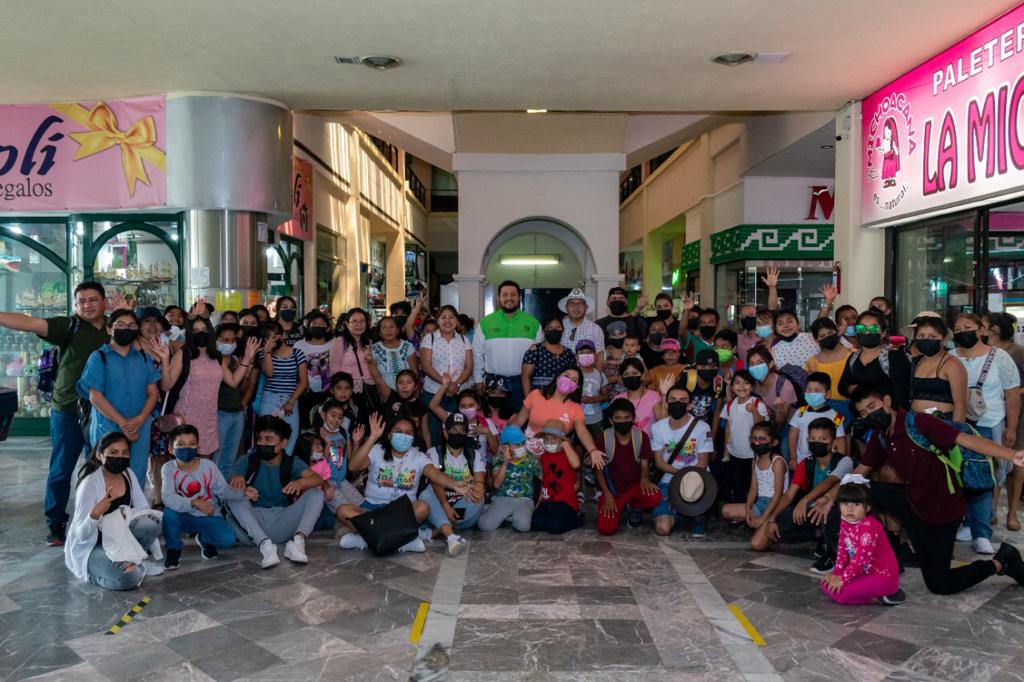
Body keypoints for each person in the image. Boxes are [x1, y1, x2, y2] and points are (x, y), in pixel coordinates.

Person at [845, 386, 1024, 593]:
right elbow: (859, 472)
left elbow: (968, 440)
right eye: (863, 413)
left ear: (886, 401)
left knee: (940, 584)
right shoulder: (882, 436)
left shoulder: (919, 422)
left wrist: (1011, 455)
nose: (870, 415)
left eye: (872, 407)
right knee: (854, 490)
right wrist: (828, 498)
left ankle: (1001, 562)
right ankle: (884, 549)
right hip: (913, 502)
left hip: (943, 509)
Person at [0, 281, 109, 545]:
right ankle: (56, 522)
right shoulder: (68, 326)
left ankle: (98, 520)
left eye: (93, 300)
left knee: (101, 468)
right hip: (68, 410)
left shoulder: (116, 327)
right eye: (81, 301)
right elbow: (30, 323)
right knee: (61, 469)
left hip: (104, 412)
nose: (87, 305)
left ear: (105, 302)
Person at [338, 414, 469, 552]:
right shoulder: (377, 450)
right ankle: (401, 540)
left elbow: (434, 474)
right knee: (343, 510)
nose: (403, 436)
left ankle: (366, 538)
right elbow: (353, 466)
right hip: (372, 510)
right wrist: (372, 438)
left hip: (402, 512)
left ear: (413, 438)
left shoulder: (418, 457)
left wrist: (454, 484)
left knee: (422, 508)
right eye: (399, 432)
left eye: (408, 433)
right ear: (389, 435)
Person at [952, 313, 1020, 555]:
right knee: (960, 476)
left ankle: (981, 532)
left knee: (982, 478)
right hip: (957, 424)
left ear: (981, 330)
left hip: (989, 424)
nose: (963, 331)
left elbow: (1012, 394)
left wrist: (1011, 428)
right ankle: (967, 522)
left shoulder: (1000, 357)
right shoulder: (950, 356)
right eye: (957, 328)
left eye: (968, 327)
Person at [64, 432, 164, 590]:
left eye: (125, 453)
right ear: (100, 455)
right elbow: (81, 535)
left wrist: (126, 514)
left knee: (152, 522)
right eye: (113, 452)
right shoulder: (89, 484)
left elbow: (143, 509)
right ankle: (92, 573)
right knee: (130, 577)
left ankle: (135, 560)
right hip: (94, 547)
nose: (119, 457)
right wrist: (95, 514)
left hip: (120, 540)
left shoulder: (128, 474)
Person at [150, 316, 257, 461]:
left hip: (210, 419)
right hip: (186, 417)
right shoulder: (184, 353)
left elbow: (233, 381)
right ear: (190, 333)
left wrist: (247, 358)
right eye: (195, 330)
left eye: (204, 329)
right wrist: (164, 359)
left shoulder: (216, 356)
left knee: (205, 464)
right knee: (185, 463)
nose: (200, 333)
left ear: (210, 331)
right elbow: (166, 385)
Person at [76, 309, 161, 486]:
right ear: (109, 329)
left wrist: (140, 419)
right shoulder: (98, 358)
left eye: (131, 325)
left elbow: (153, 393)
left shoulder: (144, 358)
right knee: (107, 473)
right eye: (120, 325)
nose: (126, 329)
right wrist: (123, 423)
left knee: (136, 474)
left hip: (139, 426)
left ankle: (133, 504)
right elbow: (95, 396)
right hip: (108, 426)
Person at [227, 416, 325, 568]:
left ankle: (298, 542)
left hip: (283, 521)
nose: (262, 443)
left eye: (268, 439)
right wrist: (241, 487)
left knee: (317, 493)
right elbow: (231, 483)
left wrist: (300, 483)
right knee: (233, 497)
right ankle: (265, 545)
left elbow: (318, 479)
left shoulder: (292, 463)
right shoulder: (248, 460)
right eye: (260, 439)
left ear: (283, 443)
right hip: (253, 525)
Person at [755, 418, 850, 570]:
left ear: (833, 443)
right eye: (813, 438)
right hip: (810, 513)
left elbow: (829, 482)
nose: (817, 442)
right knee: (758, 542)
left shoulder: (844, 461)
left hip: (837, 513)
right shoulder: (806, 463)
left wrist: (804, 500)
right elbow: (788, 495)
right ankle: (819, 536)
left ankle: (832, 552)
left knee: (827, 507)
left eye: (823, 439)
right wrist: (772, 519)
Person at [160, 424, 249, 569]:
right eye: (181, 444)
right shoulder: (168, 468)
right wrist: (194, 502)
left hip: (209, 515)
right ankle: (173, 551)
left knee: (228, 540)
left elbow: (223, 491)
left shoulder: (209, 466)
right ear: (171, 448)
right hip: (183, 516)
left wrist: (244, 493)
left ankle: (204, 539)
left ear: (198, 447)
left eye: (191, 444)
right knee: (168, 514)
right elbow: (167, 497)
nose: (186, 448)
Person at [821, 476, 903, 606]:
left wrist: (842, 579)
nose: (849, 509)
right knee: (826, 585)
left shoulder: (870, 526)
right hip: (862, 573)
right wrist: (837, 574)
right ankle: (868, 593)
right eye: (845, 504)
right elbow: (842, 550)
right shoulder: (845, 521)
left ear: (868, 507)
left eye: (856, 504)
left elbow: (860, 559)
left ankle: (881, 597)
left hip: (882, 578)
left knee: (841, 594)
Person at [651, 385, 714, 537]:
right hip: (669, 478)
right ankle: (679, 512)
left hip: (696, 478)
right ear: (666, 404)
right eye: (673, 400)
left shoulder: (702, 428)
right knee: (662, 528)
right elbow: (659, 462)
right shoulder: (657, 428)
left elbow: (702, 463)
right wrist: (679, 476)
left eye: (683, 400)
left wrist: (687, 480)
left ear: (690, 405)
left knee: (692, 494)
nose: (677, 403)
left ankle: (693, 513)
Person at [512, 367, 607, 468]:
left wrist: (592, 449)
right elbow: (517, 422)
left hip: (555, 460)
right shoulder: (536, 395)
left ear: (577, 387)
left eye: (574, 380)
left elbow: (582, 432)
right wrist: (506, 442)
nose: (568, 381)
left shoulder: (576, 408)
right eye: (566, 376)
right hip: (528, 454)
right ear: (558, 377)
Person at [421, 413, 487, 556]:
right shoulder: (434, 452)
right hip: (440, 502)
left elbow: (480, 481)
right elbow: (435, 482)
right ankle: (450, 534)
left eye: (462, 430)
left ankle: (439, 528)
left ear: (466, 434)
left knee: (478, 498)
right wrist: (445, 506)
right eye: (454, 430)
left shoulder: (474, 454)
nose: (458, 434)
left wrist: (479, 488)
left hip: (462, 505)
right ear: (445, 433)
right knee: (426, 494)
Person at [594, 399, 662, 535]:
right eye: (618, 418)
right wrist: (607, 494)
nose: (622, 421)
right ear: (611, 420)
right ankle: (622, 505)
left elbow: (644, 464)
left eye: (626, 418)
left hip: (634, 488)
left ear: (633, 419)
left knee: (654, 496)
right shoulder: (604, 437)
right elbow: (598, 470)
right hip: (613, 491)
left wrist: (645, 480)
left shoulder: (642, 437)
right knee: (606, 529)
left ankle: (635, 508)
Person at [472, 280, 541, 411]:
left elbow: (540, 354)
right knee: (493, 420)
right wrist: (477, 380)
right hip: (493, 383)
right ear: (498, 298)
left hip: (522, 383)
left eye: (513, 294)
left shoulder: (533, 323)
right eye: (504, 294)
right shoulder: (486, 322)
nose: (509, 298)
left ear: (519, 297)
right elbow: (477, 353)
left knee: (521, 419)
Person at [983, 311, 1024, 530]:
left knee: (1015, 463)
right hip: (990, 413)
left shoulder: (1017, 351)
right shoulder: (983, 351)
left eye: (986, 325)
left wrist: (1012, 392)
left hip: (1016, 413)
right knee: (993, 462)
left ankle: (1012, 513)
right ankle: (991, 509)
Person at [721, 421, 789, 532]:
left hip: (776, 505)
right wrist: (748, 509)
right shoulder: (755, 460)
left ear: (774, 442)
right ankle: (760, 523)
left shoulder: (777, 462)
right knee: (726, 510)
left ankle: (766, 522)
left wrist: (763, 517)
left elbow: (778, 493)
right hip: (760, 503)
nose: (757, 442)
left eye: (762, 439)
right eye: (754, 438)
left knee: (757, 538)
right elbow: (753, 488)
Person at [418, 305, 473, 443]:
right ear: (437, 320)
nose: (447, 321)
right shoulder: (429, 339)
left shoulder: (464, 340)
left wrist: (456, 384)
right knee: (434, 434)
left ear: (457, 321)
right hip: (433, 393)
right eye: (443, 317)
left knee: (456, 433)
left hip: (457, 394)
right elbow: (426, 367)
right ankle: (434, 457)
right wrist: (446, 384)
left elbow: (469, 367)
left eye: (451, 317)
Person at [838, 310, 911, 410]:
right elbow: (842, 388)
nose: (867, 332)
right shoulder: (853, 358)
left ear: (883, 333)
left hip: (889, 414)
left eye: (873, 328)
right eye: (861, 328)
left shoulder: (894, 355)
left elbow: (903, 395)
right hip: (862, 415)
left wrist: (860, 389)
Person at [256, 321, 309, 454]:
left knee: (290, 438)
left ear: (283, 335)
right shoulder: (264, 354)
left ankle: (285, 466)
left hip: (290, 399)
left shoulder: (297, 353)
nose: (271, 341)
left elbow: (303, 382)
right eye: (267, 339)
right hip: (269, 399)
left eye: (274, 337)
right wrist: (268, 351)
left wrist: (291, 401)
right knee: (267, 438)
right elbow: (269, 373)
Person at [718, 370, 770, 504]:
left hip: (754, 454)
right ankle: (739, 509)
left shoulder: (757, 404)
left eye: (746, 383)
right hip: (735, 453)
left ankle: (754, 509)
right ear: (732, 387)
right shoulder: (729, 405)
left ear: (752, 387)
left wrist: (754, 411)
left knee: (754, 484)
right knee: (737, 484)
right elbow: (728, 428)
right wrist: (726, 449)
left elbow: (762, 427)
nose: (742, 387)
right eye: (737, 383)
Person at [310, 400, 365, 525]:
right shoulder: (316, 435)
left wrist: (356, 443)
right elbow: (317, 465)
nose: (336, 420)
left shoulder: (343, 433)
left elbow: (351, 459)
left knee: (362, 505)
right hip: (326, 482)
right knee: (347, 510)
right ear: (323, 415)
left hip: (342, 481)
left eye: (340, 417)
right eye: (333, 415)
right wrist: (327, 444)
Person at [213, 324, 256, 480]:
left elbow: (241, 387)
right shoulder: (216, 360)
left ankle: (224, 490)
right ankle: (214, 490)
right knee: (217, 456)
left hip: (237, 413)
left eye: (232, 340)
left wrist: (247, 369)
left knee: (230, 458)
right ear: (216, 341)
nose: (230, 343)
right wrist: (247, 359)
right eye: (225, 340)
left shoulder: (235, 360)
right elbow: (232, 382)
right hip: (220, 413)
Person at [477, 426, 539, 532]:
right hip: (502, 498)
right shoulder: (499, 458)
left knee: (523, 526)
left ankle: (508, 516)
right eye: (517, 444)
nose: (521, 447)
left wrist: (535, 505)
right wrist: (505, 463)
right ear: (505, 446)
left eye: (523, 443)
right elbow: (496, 484)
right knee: (485, 525)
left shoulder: (532, 459)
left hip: (524, 500)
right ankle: (495, 510)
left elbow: (540, 482)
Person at [909, 316, 966, 421]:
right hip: (914, 421)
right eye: (921, 336)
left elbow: (961, 406)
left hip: (943, 423)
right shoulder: (918, 361)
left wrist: (956, 429)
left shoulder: (952, 364)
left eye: (932, 336)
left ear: (944, 339)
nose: (926, 339)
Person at [532, 420, 585, 534]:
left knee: (555, 526)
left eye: (554, 438)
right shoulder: (543, 457)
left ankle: (577, 519)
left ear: (562, 441)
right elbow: (542, 482)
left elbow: (576, 464)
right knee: (536, 523)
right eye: (546, 439)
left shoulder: (568, 453)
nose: (549, 442)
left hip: (566, 501)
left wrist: (566, 445)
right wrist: (538, 503)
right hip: (547, 500)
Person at [787, 372, 847, 470]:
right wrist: (793, 458)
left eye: (817, 390)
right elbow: (792, 435)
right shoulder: (800, 411)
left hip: (826, 464)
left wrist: (840, 464)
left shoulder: (836, 416)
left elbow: (840, 441)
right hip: (801, 461)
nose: (812, 393)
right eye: (809, 389)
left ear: (828, 394)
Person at [294, 311, 334, 430]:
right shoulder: (299, 345)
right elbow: (295, 369)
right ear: (308, 326)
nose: (318, 326)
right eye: (314, 324)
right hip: (305, 393)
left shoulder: (334, 344)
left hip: (328, 393)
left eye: (322, 324)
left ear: (328, 328)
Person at [805, 318, 853, 419]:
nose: (827, 337)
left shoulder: (853, 354)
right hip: (824, 410)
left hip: (852, 406)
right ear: (816, 340)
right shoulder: (812, 362)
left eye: (830, 333)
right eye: (822, 336)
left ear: (837, 331)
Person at [372, 367, 431, 447]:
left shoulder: (421, 406)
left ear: (416, 387)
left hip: (409, 446)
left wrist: (428, 452)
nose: (404, 386)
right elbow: (377, 378)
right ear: (396, 385)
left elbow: (426, 434)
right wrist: (370, 362)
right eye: (400, 382)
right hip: (387, 444)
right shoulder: (390, 396)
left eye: (409, 382)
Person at [328, 307, 375, 406]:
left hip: (368, 389)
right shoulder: (340, 342)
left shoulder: (369, 342)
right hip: (347, 391)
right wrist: (342, 392)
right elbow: (334, 368)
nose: (359, 324)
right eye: (354, 321)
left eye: (362, 321)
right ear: (347, 323)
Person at [522, 314, 577, 393]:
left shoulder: (568, 353)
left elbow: (573, 377)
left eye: (558, 327)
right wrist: (528, 399)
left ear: (563, 330)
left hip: (562, 397)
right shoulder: (534, 351)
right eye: (550, 327)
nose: (554, 330)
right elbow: (525, 377)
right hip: (539, 397)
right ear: (543, 331)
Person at [748, 347, 797, 429]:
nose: (756, 367)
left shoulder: (785, 386)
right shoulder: (753, 384)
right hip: (767, 424)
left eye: (760, 362)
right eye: (751, 364)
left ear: (770, 364)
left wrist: (779, 410)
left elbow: (781, 424)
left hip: (789, 426)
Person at [558, 288, 605, 367]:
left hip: (587, 372)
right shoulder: (559, 327)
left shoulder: (596, 329)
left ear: (586, 307)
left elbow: (599, 354)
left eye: (580, 304)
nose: (576, 307)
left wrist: (597, 373)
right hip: (562, 372)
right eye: (572, 304)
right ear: (566, 307)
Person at [614, 358, 662, 433]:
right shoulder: (617, 399)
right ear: (622, 378)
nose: (630, 377)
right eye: (626, 374)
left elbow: (662, 421)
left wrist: (664, 396)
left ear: (642, 375)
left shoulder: (654, 396)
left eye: (634, 373)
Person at [371, 316, 419, 390]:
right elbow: (375, 376)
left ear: (397, 330)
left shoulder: (408, 347)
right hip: (384, 392)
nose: (388, 330)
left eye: (392, 326)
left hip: (408, 391)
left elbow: (414, 371)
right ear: (380, 333)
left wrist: (416, 390)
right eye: (384, 328)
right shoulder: (373, 349)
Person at [576, 340, 609, 444]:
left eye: (589, 352)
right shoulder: (573, 374)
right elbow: (566, 395)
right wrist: (579, 398)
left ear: (595, 356)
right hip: (576, 419)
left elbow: (606, 395)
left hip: (596, 419)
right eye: (582, 353)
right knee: (578, 446)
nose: (586, 355)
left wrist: (597, 398)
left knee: (598, 444)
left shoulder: (600, 375)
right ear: (576, 357)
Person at [602, 320, 628, 395]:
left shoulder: (632, 354)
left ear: (626, 334)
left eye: (621, 333)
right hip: (607, 397)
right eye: (614, 334)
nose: (618, 337)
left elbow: (646, 378)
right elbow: (597, 379)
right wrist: (615, 378)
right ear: (609, 337)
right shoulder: (603, 354)